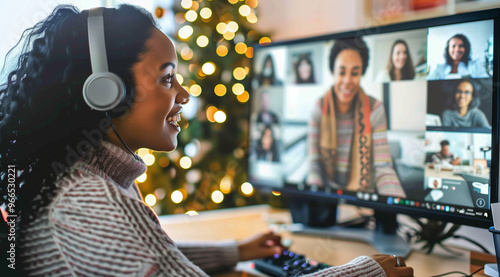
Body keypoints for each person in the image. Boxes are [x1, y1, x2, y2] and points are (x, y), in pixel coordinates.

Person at [0, 5, 413, 277]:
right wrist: (366, 272)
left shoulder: (77, 179)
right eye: (166, 78)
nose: (183, 94)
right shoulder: (88, 202)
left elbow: (152, 260)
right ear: (104, 91)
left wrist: (236, 251)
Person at [307, 37, 407, 199]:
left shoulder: (375, 108)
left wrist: (398, 202)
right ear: (333, 71)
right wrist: (316, 197)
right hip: (328, 197)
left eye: (355, 73)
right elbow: (314, 164)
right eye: (341, 72)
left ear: (361, 74)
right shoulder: (319, 107)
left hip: (365, 198)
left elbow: (383, 168)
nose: (347, 81)